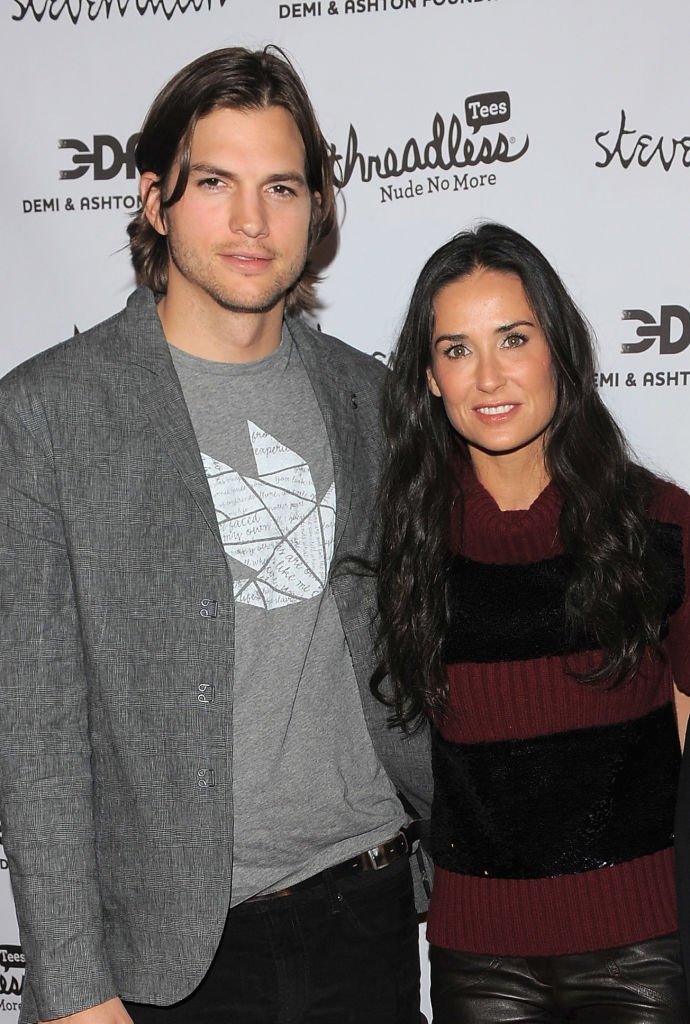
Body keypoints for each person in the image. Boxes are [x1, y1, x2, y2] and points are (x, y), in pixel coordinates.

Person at [0, 46, 433, 1024]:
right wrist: (72, 989)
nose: (251, 220)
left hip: (366, 916)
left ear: (318, 207)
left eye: (282, 185)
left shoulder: (372, 401)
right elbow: (34, 733)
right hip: (164, 955)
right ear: (156, 199)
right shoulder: (46, 416)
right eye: (215, 184)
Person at [374, 221, 690, 1022]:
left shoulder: (659, 524)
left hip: (645, 950)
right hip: (478, 962)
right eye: (456, 349)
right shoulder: (408, 544)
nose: (488, 377)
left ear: (560, 350)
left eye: (513, 339)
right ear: (428, 377)